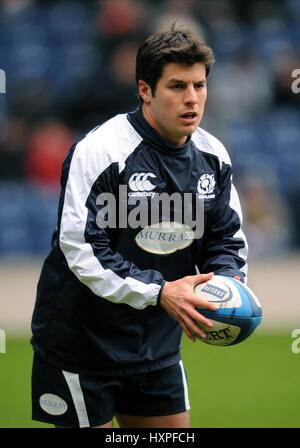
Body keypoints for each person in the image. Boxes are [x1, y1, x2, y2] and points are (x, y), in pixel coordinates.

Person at [31, 24, 248, 429]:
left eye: (199, 86)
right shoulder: (101, 151)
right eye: (177, 86)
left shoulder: (213, 156)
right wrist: (161, 291)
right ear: (145, 90)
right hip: (82, 344)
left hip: (155, 345)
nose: (192, 99)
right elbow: (82, 249)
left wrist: (227, 285)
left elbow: (226, 238)